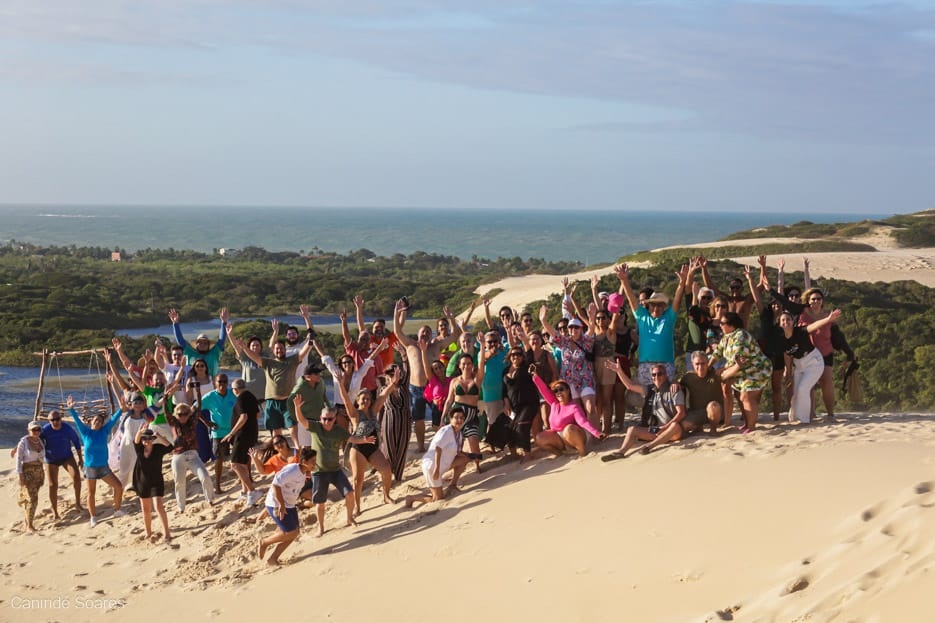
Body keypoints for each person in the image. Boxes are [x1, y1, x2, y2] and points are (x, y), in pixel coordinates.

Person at [292, 395, 375, 537]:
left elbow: (351, 438)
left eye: (329, 419)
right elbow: (301, 420)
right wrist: (297, 407)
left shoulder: (338, 430)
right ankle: (321, 528)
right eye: (324, 419)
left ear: (334, 419)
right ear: (320, 418)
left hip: (335, 470)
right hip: (319, 472)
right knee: (320, 502)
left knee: (349, 494)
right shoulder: (316, 427)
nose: (326, 422)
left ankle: (349, 518)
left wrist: (364, 440)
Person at [394, 299, 460, 452]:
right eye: (423, 331)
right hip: (415, 388)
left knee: (438, 417)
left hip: (432, 387)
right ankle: (421, 446)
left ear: (432, 336)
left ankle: (442, 444)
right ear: (418, 334)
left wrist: (451, 318)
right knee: (419, 419)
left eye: (428, 332)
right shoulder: (410, 344)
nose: (425, 334)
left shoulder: (436, 346)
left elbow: (454, 336)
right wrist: (397, 313)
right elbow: (397, 332)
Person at [233, 330, 313, 442]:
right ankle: (276, 448)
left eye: (281, 348)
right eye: (277, 349)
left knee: (292, 427)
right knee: (276, 430)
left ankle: (296, 448)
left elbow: (303, 353)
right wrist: (244, 347)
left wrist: (310, 342)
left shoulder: (291, 360)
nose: (279, 350)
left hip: (287, 400)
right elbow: (254, 357)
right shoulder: (268, 362)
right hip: (271, 401)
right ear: (273, 351)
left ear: (285, 350)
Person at [615, 263, 688, 386]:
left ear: (664, 306)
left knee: (668, 395)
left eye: (660, 305)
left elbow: (677, 300)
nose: (656, 308)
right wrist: (624, 280)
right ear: (648, 305)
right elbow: (632, 299)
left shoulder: (669, 317)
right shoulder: (642, 316)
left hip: (666, 365)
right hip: (646, 366)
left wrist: (682, 283)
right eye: (653, 305)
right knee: (646, 396)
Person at [335, 373, 395, 515]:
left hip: (373, 448)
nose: (366, 401)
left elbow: (383, 396)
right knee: (358, 479)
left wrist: (393, 383)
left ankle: (386, 496)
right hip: (358, 449)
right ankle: (357, 506)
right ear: (358, 400)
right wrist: (341, 384)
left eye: (368, 398)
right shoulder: (355, 414)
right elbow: (346, 400)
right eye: (363, 399)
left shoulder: (373, 411)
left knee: (386, 469)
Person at [601, 362, 687, 460]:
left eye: (660, 374)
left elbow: (681, 413)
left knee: (675, 426)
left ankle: (649, 447)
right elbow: (630, 386)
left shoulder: (674, 390)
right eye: (654, 375)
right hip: (656, 430)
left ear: (666, 375)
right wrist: (618, 371)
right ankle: (620, 452)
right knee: (632, 430)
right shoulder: (649, 390)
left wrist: (665, 427)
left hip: (671, 431)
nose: (656, 377)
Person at [67, 395, 126, 527]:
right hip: (90, 468)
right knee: (91, 493)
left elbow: (113, 420)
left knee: (118, 486)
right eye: (95, 420)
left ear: (102, 423)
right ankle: (93, 517)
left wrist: (121, 409)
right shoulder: (85, 432)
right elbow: (77, 421)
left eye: (99, 421)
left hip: (104, 468)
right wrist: (71, 409)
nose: (97, 422)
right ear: (91, 422)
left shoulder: (105, 431)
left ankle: (117, 510)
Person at [709, 312, 772, 433]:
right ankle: (747, 423)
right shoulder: (726, 337)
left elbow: (737, 359)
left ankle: (751, 427)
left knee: (746, 396)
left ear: (731, 324)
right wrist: (708, 367)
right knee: (740, 395)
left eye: (722, 323)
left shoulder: (741, 336)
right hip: (744, 371)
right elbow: (717, 353)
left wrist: (722, 371)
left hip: (757, 369)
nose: (720, 325)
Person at [779, 308, 843, 424]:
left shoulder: (800, 331)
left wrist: (828, 319)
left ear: (793, 322)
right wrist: (788, 372)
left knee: (803, 389)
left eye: (788, 319)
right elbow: (787, 356)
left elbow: (814, 326)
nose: (785, 322)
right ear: (779, 324)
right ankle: (795, 416)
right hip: (799, 366)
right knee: (796, 392)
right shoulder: (781, 339)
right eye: (783, 320)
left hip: (814, 363)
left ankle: (804, 420)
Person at [258, 447, 319, 565]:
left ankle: (272, 559)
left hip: (289, 505)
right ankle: (264, 542)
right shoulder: (292, 470)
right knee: (291, 532)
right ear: (304, 462)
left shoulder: (303, 473)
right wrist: (280, 505)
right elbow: (276, 485)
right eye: (313, 461)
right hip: (276, 503)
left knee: (294, 533)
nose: (315, 463)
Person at [529, 365, 605, 458]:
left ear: (568, 390)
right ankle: (561, 455)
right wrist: (535, 376)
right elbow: (544, 390)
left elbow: (583, 422)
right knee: (539, 437)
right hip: (561, 438)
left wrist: (597, 433)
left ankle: (582, 452)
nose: (559, 392)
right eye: (556, 391)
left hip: (576, 435)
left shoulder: (574, 407)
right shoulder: (554, 403)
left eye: (561, 389)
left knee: (569, 429)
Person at [404, 407, 470, 508]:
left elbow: (458, 452)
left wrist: (470, 456)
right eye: (456, 417)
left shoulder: (459, 433)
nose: (459, 420)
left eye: (461, 418)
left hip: (445, 463)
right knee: (437, 498)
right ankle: (411, 498)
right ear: (450, 419)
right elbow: (438, 448)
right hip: (432, 465)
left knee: (465, 459)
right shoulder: (446, 431)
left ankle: (453, 485)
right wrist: (436, 469)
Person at [165, 403, 216, 513]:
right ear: (176, 415)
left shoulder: (192, 422)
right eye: (180, 414)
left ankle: (210, 499)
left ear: (189, 414)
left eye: (185, 414)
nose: (183, 416)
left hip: (193, 455)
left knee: (205, 476)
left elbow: (198, 408)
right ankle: (181, 507)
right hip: (178, 456)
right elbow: (166, 412)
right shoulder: (173, 423)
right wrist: (165, 399)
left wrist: (198, 394)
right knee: (180, 482)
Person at [441, 351, 487, 474]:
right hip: (457, 416)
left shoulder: (477, 380)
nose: (466, 366)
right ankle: (456, 470)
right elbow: (449, 400)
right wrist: (442, 417)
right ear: (459, 365)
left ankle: (477, 465)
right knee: (456, 447)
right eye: (464, 364)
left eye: (469, 363)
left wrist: (482, 347)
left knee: (474, 442)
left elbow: (482, 364)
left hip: (471, 416)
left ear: (472, 365)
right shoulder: (454, 381)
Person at [223, 379, 263, 506]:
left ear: (235, 390)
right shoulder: (251, 396)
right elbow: (258, 415)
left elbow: (243, 417)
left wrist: (231, 433)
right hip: (251, 433)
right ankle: (245, 492)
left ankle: (252, 491)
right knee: (243, 463)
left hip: (243, 435)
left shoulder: (240, 399)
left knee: (235, 464)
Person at [132, 423, 173, 541]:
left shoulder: (158, 448)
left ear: (153, 439)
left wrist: (159, 436)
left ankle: (167, 533)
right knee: (145, 509)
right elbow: (136, 441)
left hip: (156, 481)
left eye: (149, 438)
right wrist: (140, 432)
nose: (147, 440)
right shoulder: (139, 449)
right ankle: (148, 532)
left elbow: (170, 447)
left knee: (158, 506)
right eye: (144, 438)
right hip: (142, 482)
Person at [40, 409, 84, 519]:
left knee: (77, 477)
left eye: (57, 419)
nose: (55, 422)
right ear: (49, 421)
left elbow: (77, 443)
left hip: (66, 457)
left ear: (61, 419)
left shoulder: (67, 429)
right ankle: (55, 511)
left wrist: (80, 459)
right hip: (51, 459)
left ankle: (78, 504)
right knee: (53, 485)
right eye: (52, 420)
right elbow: (34, 439)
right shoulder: (45, 430)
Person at [378, 346, 413, 481]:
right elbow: (380, 408)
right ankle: (387, 477)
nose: (393, 375)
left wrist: (403, 355)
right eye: (390, 373)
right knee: (389, 451)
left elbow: (408, 370)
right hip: (389, 423)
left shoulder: (404, 385)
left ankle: (398, 477)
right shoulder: (383, 389)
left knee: (402, 450)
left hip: (405, 423)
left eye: (395, 373)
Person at [501, 347, 540, 460]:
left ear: (522, 357)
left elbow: (530, 355)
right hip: (514, 406)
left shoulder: (526, 367)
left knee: (522, 425)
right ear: (509, 356)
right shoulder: (505, 370)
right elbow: (504, 390)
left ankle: (527, 454)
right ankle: (514, 454)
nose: (516, 356)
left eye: (519, 354)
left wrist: (525, 341)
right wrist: (506, 404)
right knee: (508, 427)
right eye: (513, 354)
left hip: (529, 403)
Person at [201, 373, 237, 494]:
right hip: (218, 432)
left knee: (243, 453)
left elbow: (243, 405)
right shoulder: (210, 396)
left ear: (228, 383)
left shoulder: (233, 393)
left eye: (224, 381)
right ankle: (217, 485)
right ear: (214, 383)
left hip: (234, 430)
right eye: (219, 381)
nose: (222, 384)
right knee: (218, 458)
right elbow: (195, 409)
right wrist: (207, 422)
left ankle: (249, 478)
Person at [168, 307, 229, 377]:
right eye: (200, 342)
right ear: (196, 344)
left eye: (205, 343)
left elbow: (221, 340)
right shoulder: (190, 353)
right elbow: (181, 341)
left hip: (211, 383)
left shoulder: (214, 353)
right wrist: (175, 323)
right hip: (192, 383)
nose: (202, 344)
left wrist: (224, 322)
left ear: (209, 345)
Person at [677, 351, 725, 434]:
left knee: (713, 406)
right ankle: (697, 428)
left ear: (707, 363)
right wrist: (674, 383)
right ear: (692, 364)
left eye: (703, 363)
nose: (700, 367)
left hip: (715, 412)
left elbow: (727, 374)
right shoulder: (688, 377)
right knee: (682, 427)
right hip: (697, 413)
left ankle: (713, 430)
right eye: (697, 364)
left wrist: (737, 365)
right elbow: (679, 386)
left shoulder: (715, 374)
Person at [288, 363, 332, 447]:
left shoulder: (321, 382)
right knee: (306, 447)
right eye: (316, 374)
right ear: (308, 377)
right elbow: (289, 402)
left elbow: (324, 396)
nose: (319, 375)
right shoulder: (300, 387)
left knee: (320, 446)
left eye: (319, 373)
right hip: (305, 421)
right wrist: (296, 418)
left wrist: (329, 409)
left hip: (320, 420)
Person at [16, 421, 46, 532]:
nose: (36, 431)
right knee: (33, 499)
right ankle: (30, 526)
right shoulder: (23, 442)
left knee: (31, 497)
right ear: (28, 430)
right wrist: (20, 476)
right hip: (28, 472)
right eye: (34, 429)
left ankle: (27, 521)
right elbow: (18, 459)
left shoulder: (40, 441)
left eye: (38, 429)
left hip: (39, 471)